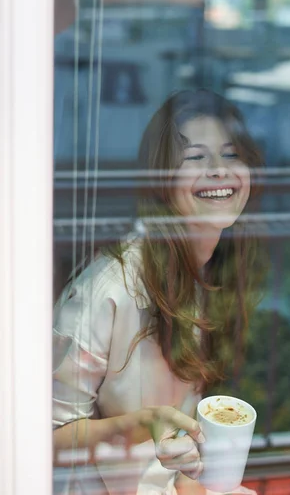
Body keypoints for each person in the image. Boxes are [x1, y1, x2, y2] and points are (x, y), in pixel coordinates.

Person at [53, 89, 266, 494]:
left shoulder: (212, 271)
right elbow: (37, 441)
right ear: (161, 180)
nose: (219, 170)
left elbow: (173, 454)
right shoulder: (110, 288)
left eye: (232, 153)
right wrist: (131, 429)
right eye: (196, 157)